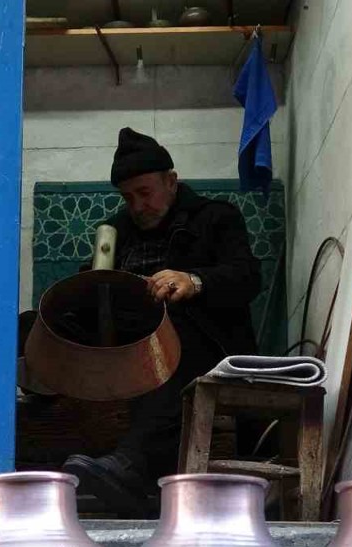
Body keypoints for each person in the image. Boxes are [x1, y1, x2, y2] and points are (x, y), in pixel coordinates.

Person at [62, 128, 262, 516]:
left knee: (171, 332)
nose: (137, 205)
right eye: (128, 197)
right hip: (133, 349)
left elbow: (248, 277)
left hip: (207, 345)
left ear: (171, 182)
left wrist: (195, 281)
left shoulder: (216, 218)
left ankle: (131, 465)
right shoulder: (117, 231)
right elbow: (90, 290)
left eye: (145, 192)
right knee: (48, 324)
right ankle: (72, 473)